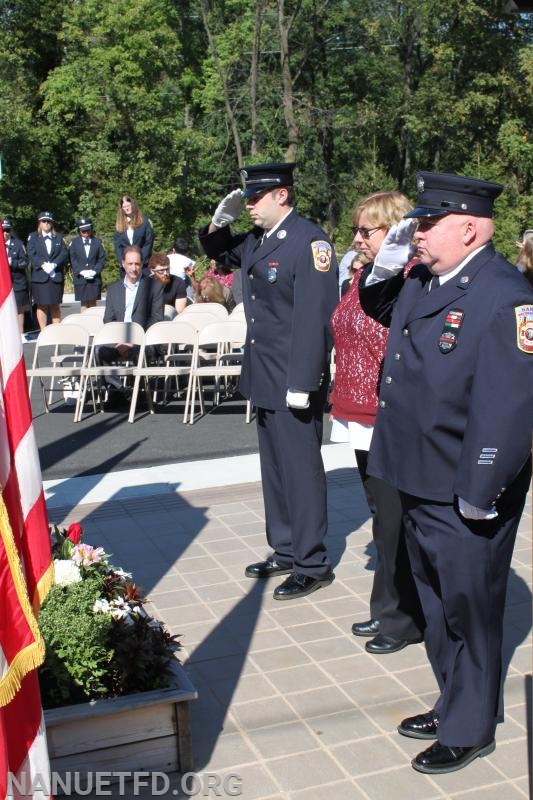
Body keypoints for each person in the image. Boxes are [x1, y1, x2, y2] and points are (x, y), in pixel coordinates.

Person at [358, 172, 533, 774]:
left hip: (465, 485)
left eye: (427, 223)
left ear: (468, 226)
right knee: (435, 605)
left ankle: (470, 726)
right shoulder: (427, 281)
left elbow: (508, 409)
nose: (416, 232)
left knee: (470, 609)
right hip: (414, 474)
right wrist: (392, 256)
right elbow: (377, 304)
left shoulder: (505, 294)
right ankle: (452, 699)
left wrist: (481, 491)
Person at [199, 162, 339, 600]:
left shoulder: (309, 242)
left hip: (293, 376)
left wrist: (304, 379)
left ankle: (312, 561)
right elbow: (221, 251)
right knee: (275, 469)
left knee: (301, 471)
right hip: (263, 373)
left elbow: (315, 319)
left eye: (256, 198)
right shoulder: (259, 240)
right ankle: (285, 548)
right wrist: (218, 223)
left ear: (282, 195)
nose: (249, 207)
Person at [330, 191, 424, 655]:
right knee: (381, 517)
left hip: (386, 413)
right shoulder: (365, 275)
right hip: (358, 411)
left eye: (366, 230)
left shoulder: (409, 280)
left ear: (395, 231)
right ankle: (386, 605)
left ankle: (403, 617)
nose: (357, 239)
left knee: (394, 520)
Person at [98, 245, 164, 402]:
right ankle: (117, 390)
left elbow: (156, 319)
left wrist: (132, 341)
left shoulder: (154, 287)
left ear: (142, 264)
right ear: (123, 263)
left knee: (137, 353)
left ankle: (139, 394)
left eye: (137, 264)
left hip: (143, 340)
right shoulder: (114, 289)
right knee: (99, 351)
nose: (133, 268)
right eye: (130, 264)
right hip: (118, 340)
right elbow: (108, 319)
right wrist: (119, 341)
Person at [27, 211, 68, 330]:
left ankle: (56, 329)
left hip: (55, 275)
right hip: (40, 276)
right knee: (42, 305)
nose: (46, 224)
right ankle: (43, 330)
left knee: (55, 305)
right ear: (39, 223)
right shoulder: (33, 237)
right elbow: (31, 253)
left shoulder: (59, 237)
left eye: (49, 221)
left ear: (52, 223)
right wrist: (42, 264)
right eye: (44, 221)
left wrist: (55, 264)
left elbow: (64, 253)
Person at [69, 217, 106, 311]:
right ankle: (84, 323)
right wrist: (81, 271)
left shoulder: (97, 242)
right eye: (83, 231)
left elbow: (101, 259)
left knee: (93, 304)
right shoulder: (74, 243)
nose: (86, 233)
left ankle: (93, 324)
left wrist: (95, 271)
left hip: (94, 278)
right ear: (79, 231)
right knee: (84, 304)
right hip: (81, 278)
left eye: (88, 231)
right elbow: (72, 259)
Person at [113, 195, 154, 273]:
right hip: (126, 267)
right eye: (124, 206)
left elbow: (148, 243)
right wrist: (123, 262)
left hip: (142, 265)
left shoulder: (144, 222)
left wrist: (140, 260)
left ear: (133, 205)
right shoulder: (119, 224)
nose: (127, 208)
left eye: (128, 205)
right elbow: (118, 246)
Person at [2, 216, 29, 335]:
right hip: (2, 283)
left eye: (7, 230)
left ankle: (20, 333)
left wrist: (12, 262)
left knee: (19, 308)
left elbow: (25, 262)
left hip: (17, 281)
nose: (5, 233)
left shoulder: (18, 244)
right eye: (3, 230)